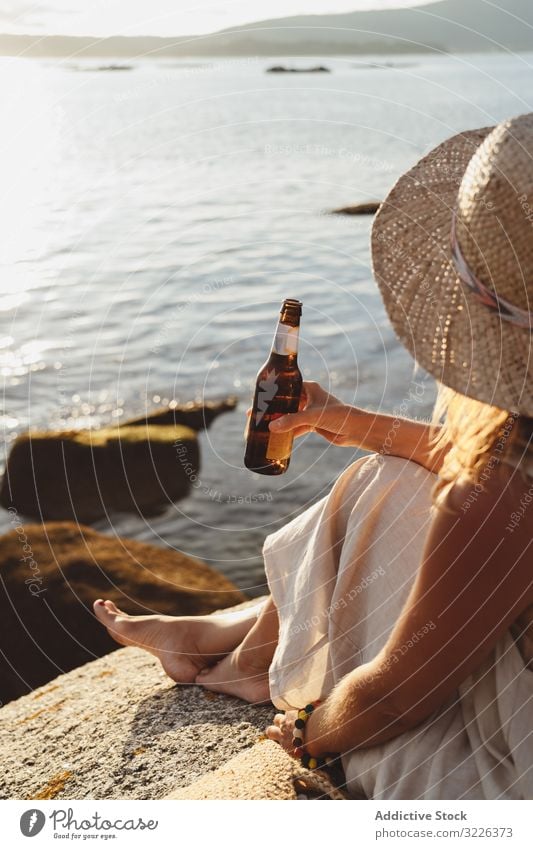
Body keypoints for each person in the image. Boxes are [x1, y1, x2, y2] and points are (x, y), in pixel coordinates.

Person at [94, 112, 533, 799]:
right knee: (387, 472)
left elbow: (396, 696)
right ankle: (233, 640)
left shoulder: (507, 479)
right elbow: (471, 465)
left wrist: (302, 732)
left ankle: (249, 661)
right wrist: (346, 419)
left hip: (510, 762)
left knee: (381, 489)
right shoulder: (506, 467)